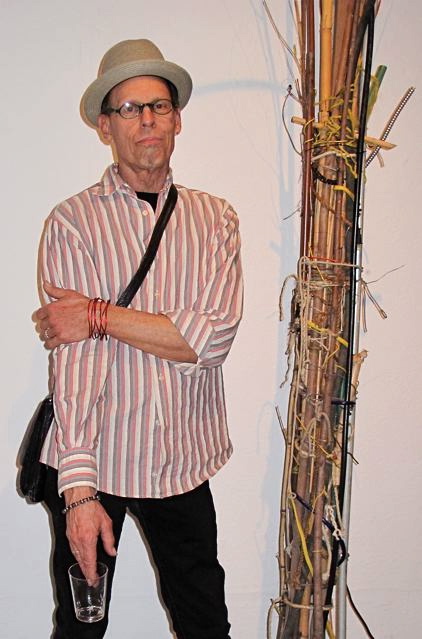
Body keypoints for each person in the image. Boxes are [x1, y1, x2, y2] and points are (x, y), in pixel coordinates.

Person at [35, 38, 243, 639]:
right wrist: (78, 493)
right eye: (129, 108)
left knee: (206, 623)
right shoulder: (72, 222)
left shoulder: (216, 220)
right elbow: (74, 365)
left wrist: (97, 315)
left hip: (183, 460)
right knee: (81, 628)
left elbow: (210, 340)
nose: (147, 120)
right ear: (106, 126)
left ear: (177, 119)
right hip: (97, 459)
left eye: (159, 105)